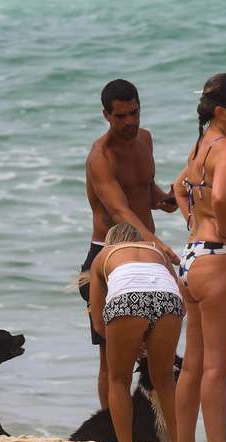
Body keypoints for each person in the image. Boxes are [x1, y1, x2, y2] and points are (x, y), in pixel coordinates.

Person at [79, 79, 178, 410]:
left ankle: (156, 428)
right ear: (106, 115)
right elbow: (120, 211)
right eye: (121, 116)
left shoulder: (144, 139)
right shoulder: (100, 157)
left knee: (158, 357)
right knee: (111, 361)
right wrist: (159, 245)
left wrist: (165, 199)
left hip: (146, 254)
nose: (130, 122)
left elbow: (143, 189)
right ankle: (110, 428)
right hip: (109, 256)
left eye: (134, 113)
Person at [171, 73, 226, 442]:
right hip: (219, 258)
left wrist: (193, 220)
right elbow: (221, 194)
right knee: (217, 365)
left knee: (192, 363)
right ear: (222, 111)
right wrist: (225, 229)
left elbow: (177, 186)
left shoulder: (200, 145)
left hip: (191, 257)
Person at [87, 223, 183, 442]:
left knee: (119, 379)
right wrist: (149, 338)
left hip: (127, 299)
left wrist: (128, 340)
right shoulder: (155, 250)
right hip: (168, 298)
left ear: (112, 242)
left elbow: (99, 323)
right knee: (165, 380)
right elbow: (180, 296)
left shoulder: (103, 255)